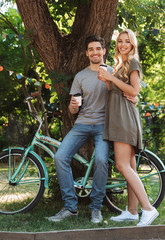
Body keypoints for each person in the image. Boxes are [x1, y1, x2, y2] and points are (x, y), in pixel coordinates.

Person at [47, 35, 112, 224]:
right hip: (82, 124)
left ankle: (96, 208)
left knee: (101, 160)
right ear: (86, 53)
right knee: (60, 157)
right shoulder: (80, 76)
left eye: (98, 48)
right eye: (91, 49)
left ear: (104, 51)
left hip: (103, 126)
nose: (95, 52)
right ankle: (70, 207)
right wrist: (74, 105)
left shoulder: (112, 72)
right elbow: (72, 109)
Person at [97, 29, 159, 226]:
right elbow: (117, 90)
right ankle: (132, 211)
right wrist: (107, 80)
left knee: (122, 165)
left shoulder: (133, 62)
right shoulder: (119, 64)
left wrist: (112, 79)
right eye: (120, 41)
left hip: (125, 118)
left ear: (132, 45)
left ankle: (148, 209)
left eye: (127, 41)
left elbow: (135, 90)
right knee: (130, 166)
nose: (123, 44)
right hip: (118, 116)